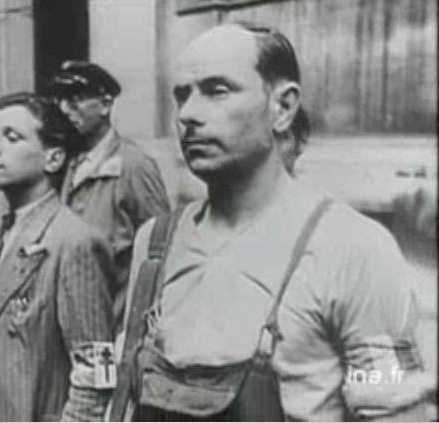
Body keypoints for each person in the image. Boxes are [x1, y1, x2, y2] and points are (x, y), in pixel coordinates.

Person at [110, 23, 432, 421]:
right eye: (182, 97)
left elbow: (393, 408)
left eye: (217, 90)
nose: (189, 115)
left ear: (283, 107)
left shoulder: (352, 246)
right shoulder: (155, 243)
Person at [0, 92, 116, 422]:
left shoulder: (74, 241)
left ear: (53, 159)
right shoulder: (8, 230)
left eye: (12, 138)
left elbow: (95, 375)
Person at [47, 61, 170, 329]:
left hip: (114, 323)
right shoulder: (65, 163)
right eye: (61, 100)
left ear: (105, 105)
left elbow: (161, 249)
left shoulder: (133, 165)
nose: (64, 109)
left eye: (76, 99)